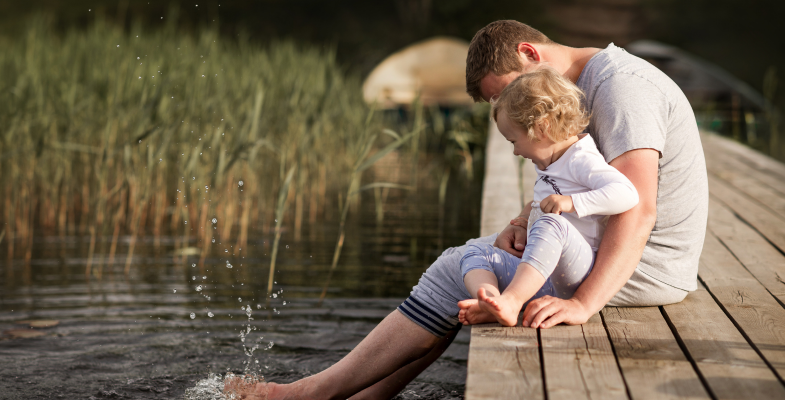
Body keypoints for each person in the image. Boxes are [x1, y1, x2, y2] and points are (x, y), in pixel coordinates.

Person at [224, 20, 708, 399]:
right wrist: (522, 222)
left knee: (455, 267)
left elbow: (637, 209)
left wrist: (583, 305)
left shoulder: (622, 88)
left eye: (510, 93)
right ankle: (355, 395)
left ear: (530, 54)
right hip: (603, 251)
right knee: (467, 263)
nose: (513, 109)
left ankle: (311, 394)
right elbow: (565, 176)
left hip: (642, 268)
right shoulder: (584, 89)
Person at [458, 67, 638, 327]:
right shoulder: (547, 161)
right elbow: (540, 203)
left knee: (551, 222)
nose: (515, 152)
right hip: (541, 272)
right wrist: (522, 222)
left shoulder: (580, 159)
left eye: (513, 141)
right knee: (474, 249)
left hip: (575, 271)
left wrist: (572, 203)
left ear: (541, 129)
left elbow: (627, 194)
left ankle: (512, 301)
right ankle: (493, 302)